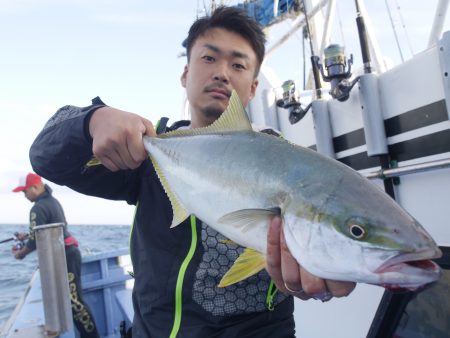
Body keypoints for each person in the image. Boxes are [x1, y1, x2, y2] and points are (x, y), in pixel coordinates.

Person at [30, 6, 355, 338]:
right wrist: (91, 121)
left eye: (238, 64)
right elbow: (45, 159)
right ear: (185, 74)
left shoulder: (285, 162)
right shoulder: (147, 148)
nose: (222, 73)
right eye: (209, 59)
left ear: (254, 87)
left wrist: (323, 268)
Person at [12, 172, 100, 338]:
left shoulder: (37, 208)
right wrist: (27, 235)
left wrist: (20, 255)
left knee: (75, 302)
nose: (25, 195)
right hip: (69, 254)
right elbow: (41, 232)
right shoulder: (52, 202)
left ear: (36, 187)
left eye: (25, 191)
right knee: (74, 300)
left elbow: (34, 242)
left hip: (64, 257)